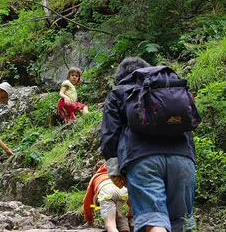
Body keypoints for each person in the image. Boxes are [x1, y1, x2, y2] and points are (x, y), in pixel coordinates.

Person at [100, 57, 196, 232]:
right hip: (183, 159)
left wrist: (114, 169)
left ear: (121, 78)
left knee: (154, 220)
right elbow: (188, 129)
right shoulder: (169, 91)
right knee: (181, 224)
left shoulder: (119, 92)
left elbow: (110, 133)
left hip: (142, 160)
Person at [83, 160, 130, 232]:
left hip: (107, 192)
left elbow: (87, 202)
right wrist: (130, 212)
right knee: (113, 209)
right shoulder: (117, 173)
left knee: (110, 225)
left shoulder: (96, 176)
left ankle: (113, 228)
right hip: (123, 192)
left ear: (96, 170)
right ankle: (123, 227)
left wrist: (89, 220)